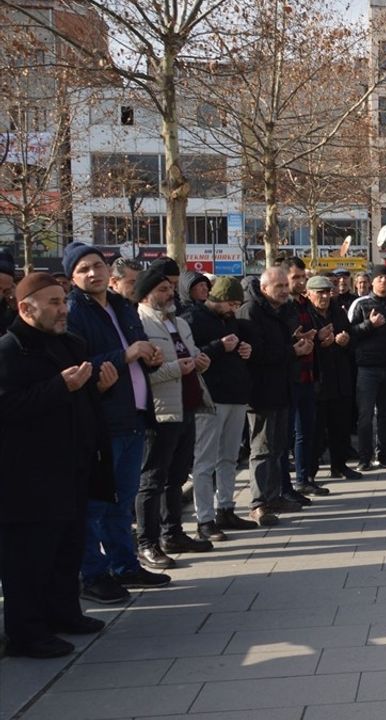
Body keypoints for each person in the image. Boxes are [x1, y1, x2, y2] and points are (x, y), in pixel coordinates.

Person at [0, 273, 118, 658]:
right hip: (28, 476)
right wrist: (58, 388)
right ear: (25, 308)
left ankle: (65, 613)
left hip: (73, 466)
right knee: (29, 559)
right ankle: (27, 633)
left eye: (63, 301)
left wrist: (98, 388)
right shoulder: (9, 350)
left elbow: (81, 402)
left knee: (68, 549)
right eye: (53, 303)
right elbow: (9, 407)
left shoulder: (72, 343)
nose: (63, 309)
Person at [65, 242, 170, 604]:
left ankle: (125, 565)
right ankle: (93, 574)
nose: (93, 273)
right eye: (83, 269)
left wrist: (150, 355)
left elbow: (138, 348)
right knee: (96, 503)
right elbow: (78, 363)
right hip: (102, 420)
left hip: (134, 414)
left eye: (97, 265)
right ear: (72, 278)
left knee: (122, 500)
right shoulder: (75, 312)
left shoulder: (123, 307)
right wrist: (124, 355)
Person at [134, 265, 215, 568]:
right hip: (161, 411)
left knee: (178, 476)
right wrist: (174, 369)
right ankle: (148, 542)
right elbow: (143, 374)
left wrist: (201, 362)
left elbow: (190, 356)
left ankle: (173, 532)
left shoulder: (179, 321)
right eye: (162, 289)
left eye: (170, 289)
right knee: (153, 479)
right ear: (145, 295)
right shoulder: (140, 323)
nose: (169, 294)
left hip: (188, 405)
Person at [184, 277, 258, 541]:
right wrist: (219, 347)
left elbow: (236, 348)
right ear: (216, 298)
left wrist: (244, 349)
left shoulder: (230, 320)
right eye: (230, 303)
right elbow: (191, 355)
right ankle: (204, 519)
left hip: (235, 395)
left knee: (229, 458)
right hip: (210, 398)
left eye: (237, 304)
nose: (233, 308)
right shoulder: (193, 318)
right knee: (204, 462)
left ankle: (225, 508)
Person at [238, 266, 311, 526]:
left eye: (284, 285)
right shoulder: (251, 311)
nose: (283, 291)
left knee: (279, 446)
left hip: (284, 387)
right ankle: (258, 503)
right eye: (278, 286)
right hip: (261, 391)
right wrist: (294, 351)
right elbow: (258, 353)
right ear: (264, 288)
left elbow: (284, 343)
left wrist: (300, 341)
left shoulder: (284, 310)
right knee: (261, 448)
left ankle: (273, 496)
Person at [347, 264, 386, 470]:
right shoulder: (360, 304)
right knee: (365, 415)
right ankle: (364, 457)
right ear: (372, 281)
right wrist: (370, 325)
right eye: (380, 278)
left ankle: (384, 454)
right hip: (367, 368)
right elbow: (349, 334)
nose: (383, 281)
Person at [304, 275, 361, 481]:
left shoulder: (337, 312)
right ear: (309, 294)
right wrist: (320, 343)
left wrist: (346, 340)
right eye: (320, 292)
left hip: (340, 378)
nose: (325, 296)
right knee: (316, 431)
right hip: (317, 381)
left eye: (328, 292)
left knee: (341, 427)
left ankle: (339, 465)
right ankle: (309, 473)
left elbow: (353, 340)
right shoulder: (305, 314)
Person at [284, 257, 327, 497]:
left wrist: (317, 336)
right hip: (290, 377)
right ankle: (286, 486)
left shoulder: (303, 304)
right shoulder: (282, 305)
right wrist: (296, 340)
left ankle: (305, 477)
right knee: (288, 435)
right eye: (295, 278)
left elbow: (305, 334)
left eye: (303, 277)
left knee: (306, 430)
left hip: (309, 374)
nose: (301, 282)